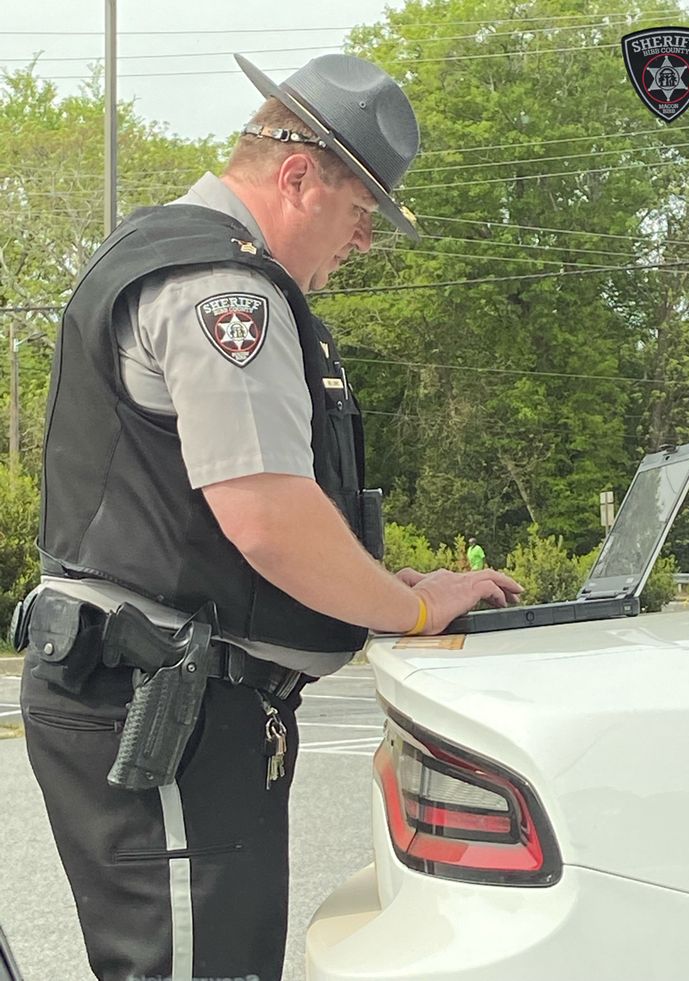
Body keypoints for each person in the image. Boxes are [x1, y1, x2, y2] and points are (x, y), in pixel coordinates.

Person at [17, 52, 522, 981]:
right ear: (297, 176)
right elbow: (269, 521)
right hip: (160, 710)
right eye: (362, 211)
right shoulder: (226, 290)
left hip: (167, 700)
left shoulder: (175, 256)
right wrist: (412, 611)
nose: (363, 242)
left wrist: (386, 584)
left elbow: (221, 528)